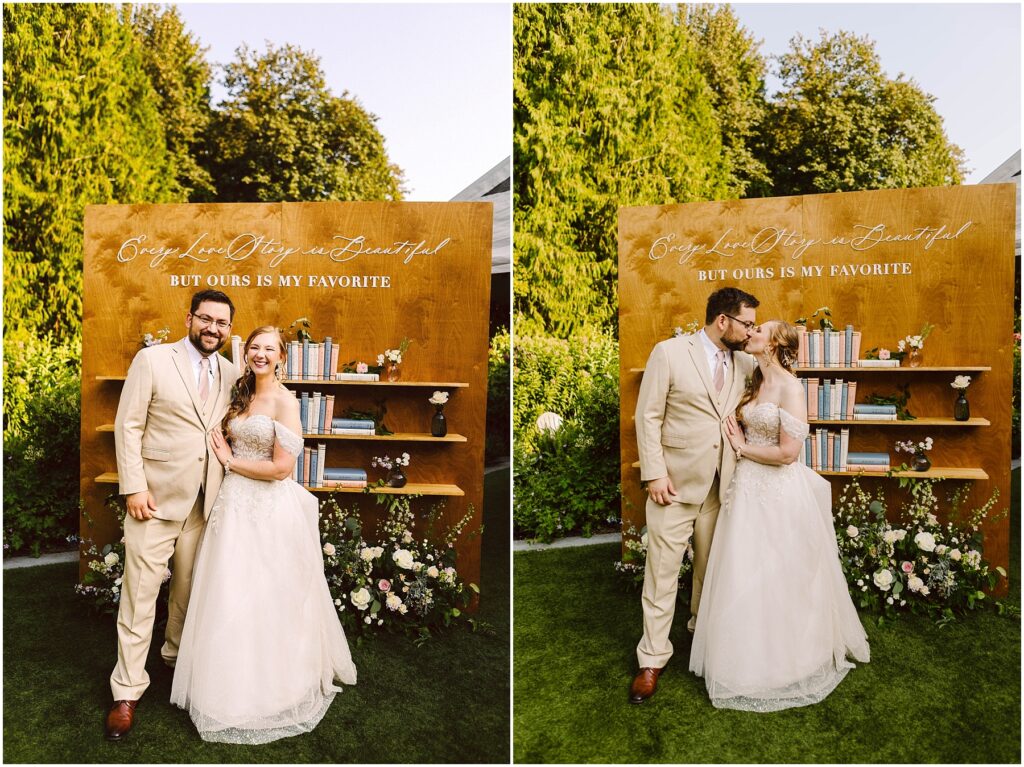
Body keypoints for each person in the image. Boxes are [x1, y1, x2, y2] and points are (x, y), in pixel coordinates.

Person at [170, 325, 357, 744]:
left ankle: (274, 688)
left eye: (269, 349)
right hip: (231, 506)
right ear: (245, 352)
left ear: (281, 358)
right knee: (228, 591)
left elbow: (281, 469)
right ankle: (223, 684)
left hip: (266, 510)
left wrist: (229, 461)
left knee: (266, 594)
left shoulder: (285, 402)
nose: (260, 354)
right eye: (254, 347)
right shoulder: (239, 393)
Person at [689, 320, 870, 711]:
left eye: (759, 330)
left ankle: (790, 661)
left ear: (773, 344)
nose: (750, 332)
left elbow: (788, 454)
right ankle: (741, 658)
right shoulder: (753, 379)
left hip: (778, 493)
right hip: (745, 490)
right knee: (743, 571)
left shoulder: (791, 387)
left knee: (780, 574)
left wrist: (741, 448)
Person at [107, 290, 238, 741]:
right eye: (206, 319)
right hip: (154, 503)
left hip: (204, 504)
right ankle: (126, 691)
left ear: (229, 329)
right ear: (189, 319)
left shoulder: (230, 372)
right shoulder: (153, 360)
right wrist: (134, 486)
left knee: (187, 594)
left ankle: (174, 663)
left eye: (222, 323)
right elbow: (128, 425)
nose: (213, 329)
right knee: (139, 597)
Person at [630, 287, 760, 704]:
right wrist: (654, 474)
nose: (750, 331)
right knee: (662, 574)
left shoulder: (746, 362)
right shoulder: (669, 353)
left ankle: (702, 640)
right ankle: (652, 659)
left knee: (711, 572)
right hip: (673, 488)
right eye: (747, 324)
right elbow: (648, 415)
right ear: (723, 320)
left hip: (723, 487)